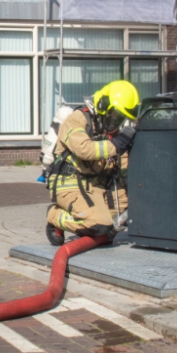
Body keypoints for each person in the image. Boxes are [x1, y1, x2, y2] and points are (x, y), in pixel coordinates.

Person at [45, 80, 140, 245]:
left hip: (96, 186)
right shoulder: (77, 119)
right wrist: (116, 145)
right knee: (99, 223)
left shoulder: (111, 132)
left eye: (121, 118)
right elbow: (85, 149)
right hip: (70, 183)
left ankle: (95, 224)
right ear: (103, 104)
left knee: (127, 211)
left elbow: (122, 164)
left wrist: (133, 188)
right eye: (115, 116)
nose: (116, 123)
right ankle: (54, 216)